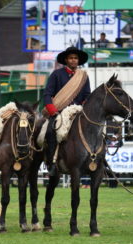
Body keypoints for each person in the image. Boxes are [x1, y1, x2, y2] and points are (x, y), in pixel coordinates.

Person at [43, 46, 91, 176]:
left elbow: (87, 96)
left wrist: (83, 107)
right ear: (66, 60)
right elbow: (47, 95)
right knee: (49, 132)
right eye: (71, 58)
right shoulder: (56, 74)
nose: (74, 60)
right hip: (59, 112)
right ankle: (51, 164)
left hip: (78, 112)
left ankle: (94, 160)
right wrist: (53, 111)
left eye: (76, 58)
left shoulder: (84, 76)